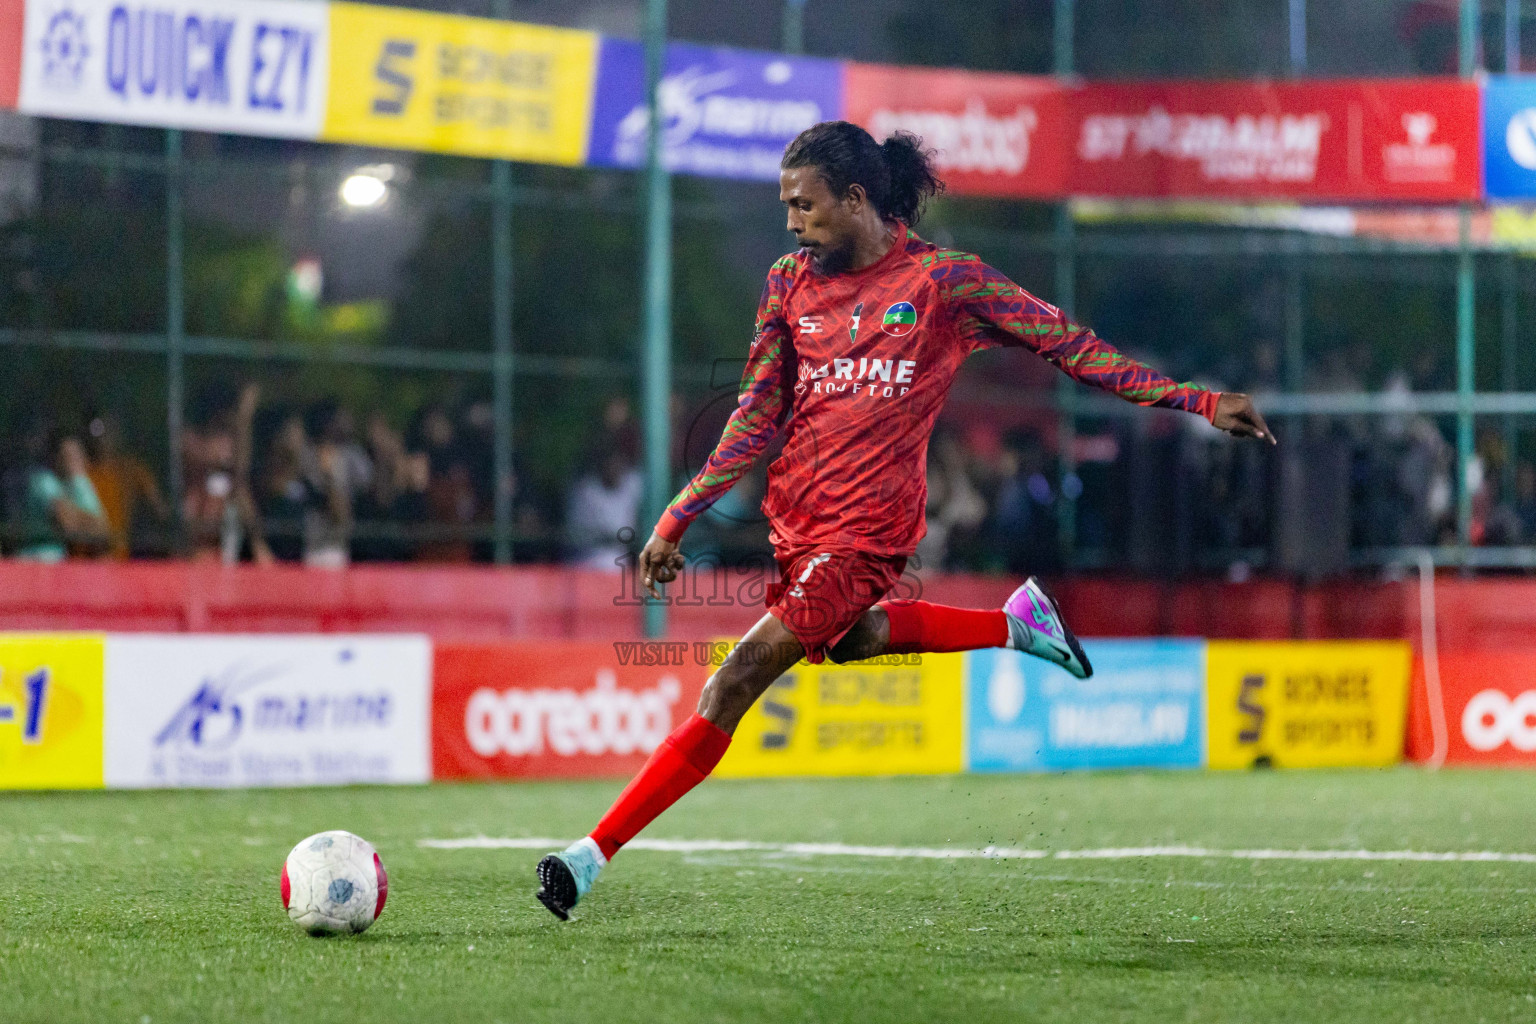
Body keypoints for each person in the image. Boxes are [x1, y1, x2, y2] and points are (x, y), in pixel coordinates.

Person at [534, 121, 1275, 919]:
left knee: (736, 677)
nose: (792, 221)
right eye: (787, 205)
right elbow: (755, 413)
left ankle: (588, 857)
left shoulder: (945, 284)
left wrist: (1198, 402)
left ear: (856, 199)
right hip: (800, 522)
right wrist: (679, 515)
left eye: (804, 204)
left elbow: (1071, 348)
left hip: (871, 532)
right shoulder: (788, 282)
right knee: (853, 640)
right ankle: (1015, 626)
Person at [17, 429, 110, 561]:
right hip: (36, 562)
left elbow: (103, 530)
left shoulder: (80, 483)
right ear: (56, 457)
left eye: (76, 455)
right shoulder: (42, 481)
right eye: (66, 455)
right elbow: (67, 523)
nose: (71, 460)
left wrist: (79, 482)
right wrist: (86, 521)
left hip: (63, 566)